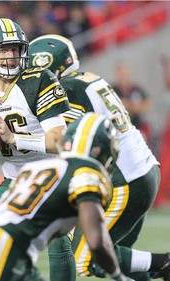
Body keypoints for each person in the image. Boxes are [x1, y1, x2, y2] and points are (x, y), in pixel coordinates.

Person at [29, 34, 167, 281]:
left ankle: (165, 261)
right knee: (123, 263)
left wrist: (14, 138)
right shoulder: (88, 79)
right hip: (143, 171)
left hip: (126, 180)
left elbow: (61, 142)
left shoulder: (67, 91)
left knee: (89, 258)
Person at [0, 113, 133, 281]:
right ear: (98, 149)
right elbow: (96, 241)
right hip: (4, 249)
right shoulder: (85, 172)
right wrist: (117, 275)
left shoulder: (39, 167)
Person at [0, 17, 71, 281]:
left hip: (52, 175)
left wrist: (12, 138)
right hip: (14, 179)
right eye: (2, 50)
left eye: (15, 49)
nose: (10, 56)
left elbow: (59, 141)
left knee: (57, 241)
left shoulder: (39, 79)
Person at [111, 62, 153, 143]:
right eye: (121, 75)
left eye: (125, 74)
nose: (124, 77)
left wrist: (130, 107)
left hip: (137, 126)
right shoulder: (113, 91)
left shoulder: (136, 89)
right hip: (120, 131)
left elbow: (148, 104)